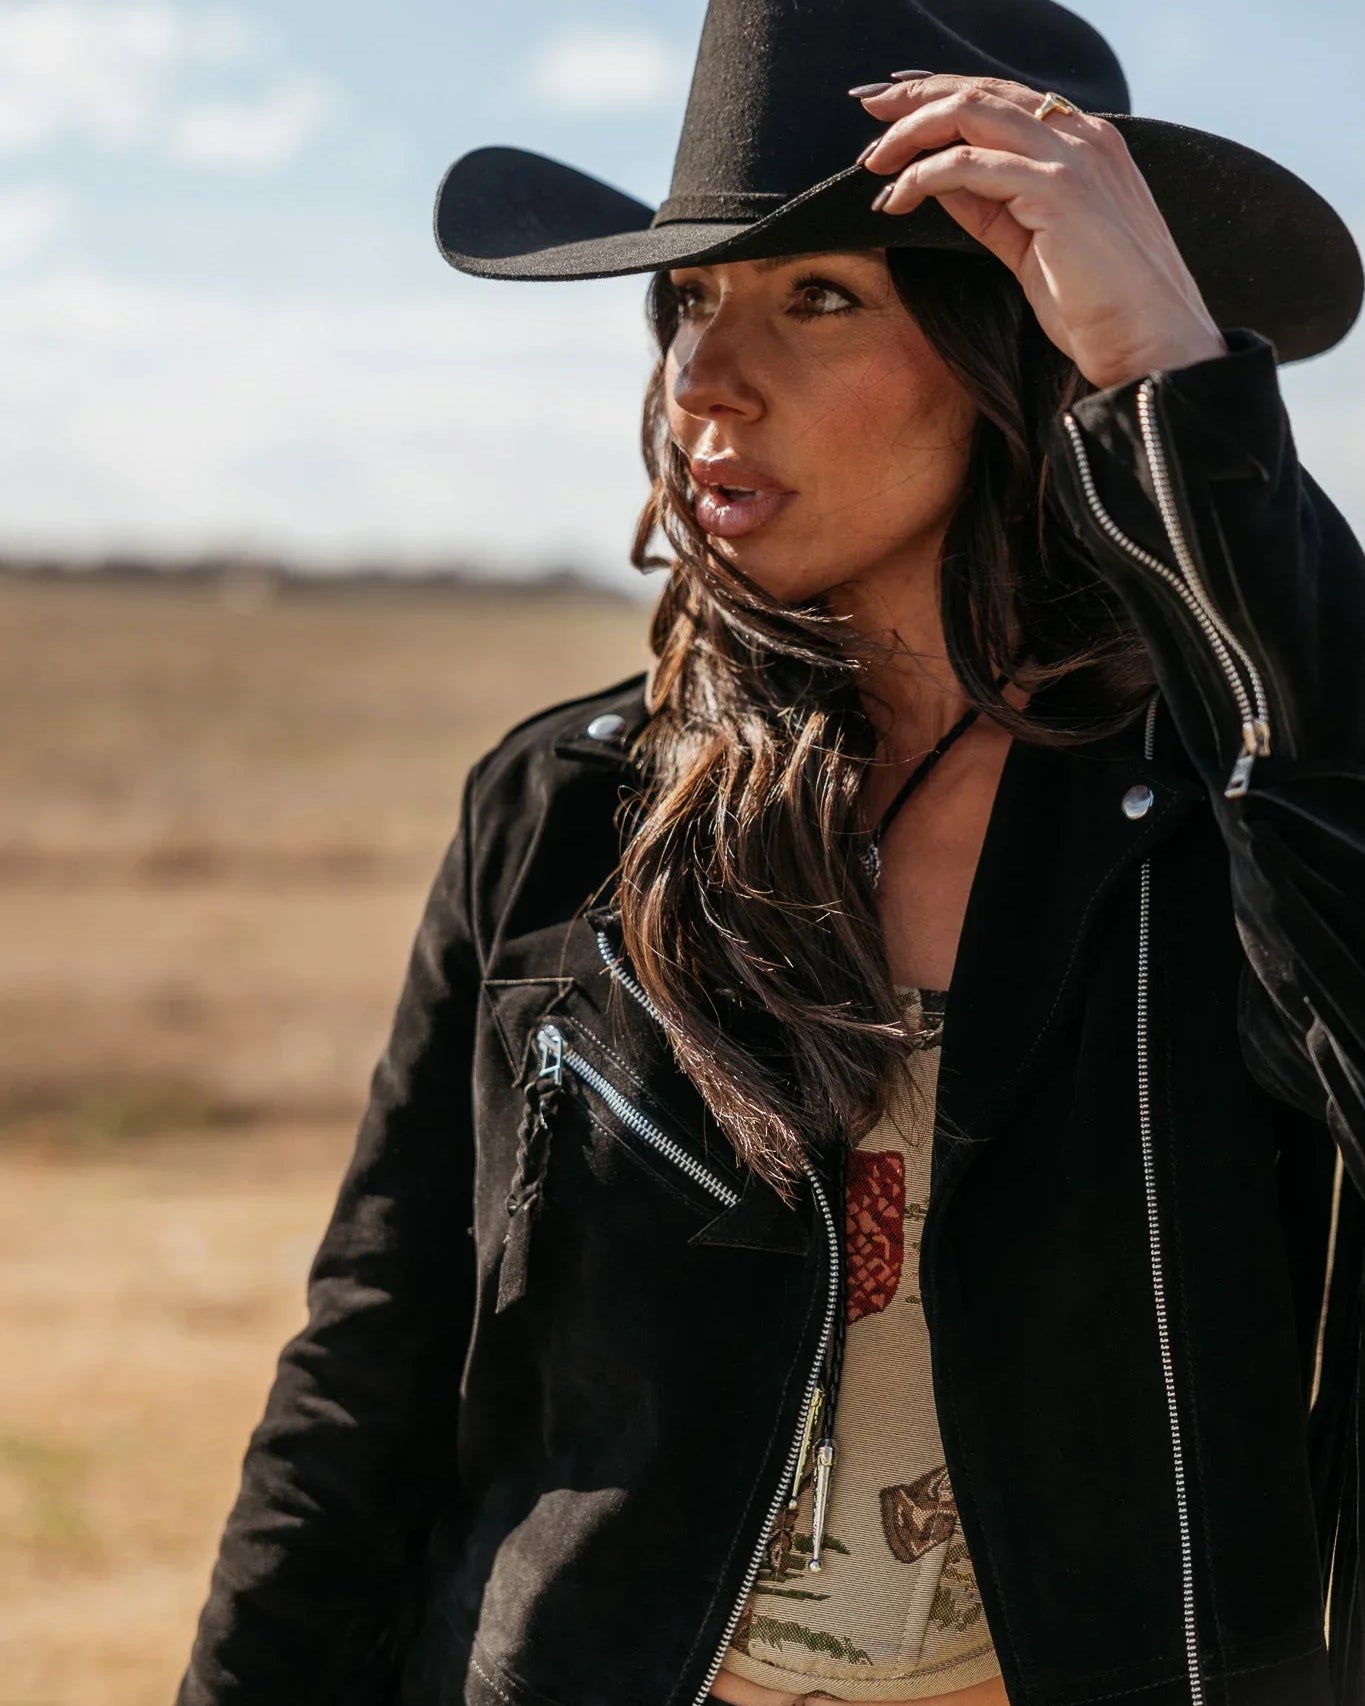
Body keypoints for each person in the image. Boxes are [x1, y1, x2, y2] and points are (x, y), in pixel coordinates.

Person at [174, 2, 1365, 1704]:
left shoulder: (1213, 802)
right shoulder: (572, 804)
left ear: (1014, 336)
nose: (705, 380)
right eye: (688, 301)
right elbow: (373, 1357)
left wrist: (1174, 392)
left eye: (819, 297)